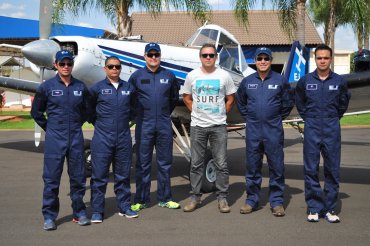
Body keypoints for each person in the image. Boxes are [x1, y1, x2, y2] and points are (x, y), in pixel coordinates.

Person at [31, 50, 91, 231]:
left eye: (69, 63)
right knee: (51, 179)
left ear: (72, 65)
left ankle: (79, 212)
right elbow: (36, 112)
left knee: (78, 178)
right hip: (55, 139)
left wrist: (76, 124)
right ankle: (49, 216)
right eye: (62, 63)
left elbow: (87, 111)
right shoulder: (46, 87)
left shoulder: (80, 87)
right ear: (55, 65)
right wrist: (49, 128)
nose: (66, 67)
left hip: (75, 137)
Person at [235, 47, 294, 217]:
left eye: (266, 58)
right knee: (252, 167)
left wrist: (274, 117)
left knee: (276, 167)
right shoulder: (247, 82)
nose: (262, 61)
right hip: (253, 131)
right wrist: (251, 117)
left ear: (270, 60)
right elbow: (241, 102)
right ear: (255, 60)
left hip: (273, 131)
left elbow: (288, 103)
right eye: (259, 58)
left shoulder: (280, 80)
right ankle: (251, 200)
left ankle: (276, 202)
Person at [296, 44, 350, 223]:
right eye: (319, 58)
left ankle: (330, 209)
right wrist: (309, 118)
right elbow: (300, 102)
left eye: (326, 58)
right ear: (315, 59)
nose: (322, 61)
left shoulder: (339, 81)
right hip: (312, 127)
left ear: (331, 59)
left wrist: (333, 117)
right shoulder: (305, 81)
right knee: (311, 169)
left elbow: (343, 103)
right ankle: (313, 207)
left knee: (332, 169)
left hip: (331, 128)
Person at [182, 43, 237, 213]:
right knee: (196, 164)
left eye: (211, 55)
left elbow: (230, 98)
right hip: (198, 126)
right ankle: (195, 197)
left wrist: (222, 114)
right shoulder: (192, 76)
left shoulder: (224, 76)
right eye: (205, 55)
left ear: (216, 57)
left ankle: (222, 198)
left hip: (218, 126)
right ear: (200, 57)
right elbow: (186, 97)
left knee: (221, 163)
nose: (208, 58)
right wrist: (196, 112)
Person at [128, 42, 181, 211]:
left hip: (164, 124)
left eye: (156, 55)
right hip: (144, 124)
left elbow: (173, 99)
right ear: (144, 57)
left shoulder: (169, 76)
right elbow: (131, 100)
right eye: (150, 55)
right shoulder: (136, 77)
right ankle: (141, 199)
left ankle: (165, 198)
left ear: (160, 56)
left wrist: (164, 114)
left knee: (165, 163)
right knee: (143, 163)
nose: (153, 58)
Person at [88, 56, 138, 223]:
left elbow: (134, 109)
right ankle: (97, 211)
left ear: (120, 68)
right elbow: (88, 110)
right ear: (105, 69)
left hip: (123, 137)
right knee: (99, 176)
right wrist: (101, 123)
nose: (114, 69)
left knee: (123, 175)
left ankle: (124, 207)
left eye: (117, 66)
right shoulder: (97, 89)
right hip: (102, 138)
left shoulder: (129, 88)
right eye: (111, 66)